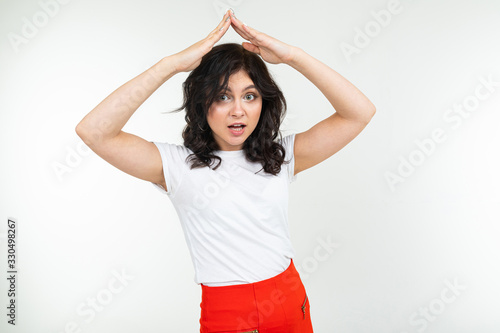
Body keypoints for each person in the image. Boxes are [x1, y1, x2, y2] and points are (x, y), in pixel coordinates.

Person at [75, 9, 375, 333]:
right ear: (203, 103)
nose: (238, 110)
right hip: (227, 312)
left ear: (264, 102)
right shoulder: (177, 165)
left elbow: (359, 112)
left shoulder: (281, 156)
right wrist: (170, 65)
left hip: (289, 299)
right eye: (223, 96)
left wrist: (292, 56)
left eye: (250, 96)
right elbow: (94, 131)